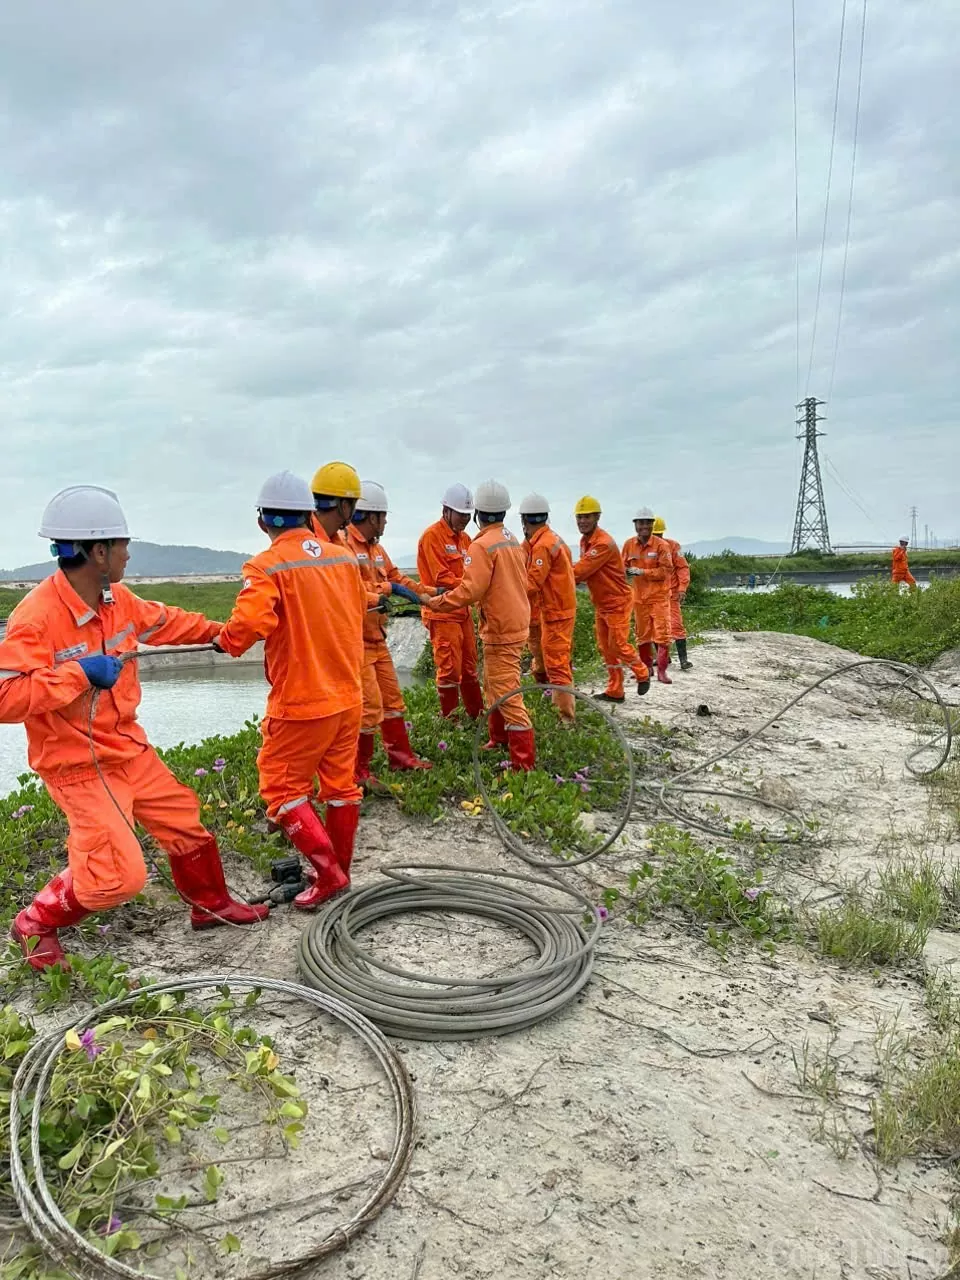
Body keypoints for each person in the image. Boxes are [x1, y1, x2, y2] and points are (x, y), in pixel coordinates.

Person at [0, 486, 268, 971]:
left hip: (127, 748)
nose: (128, 553)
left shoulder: (116, 599)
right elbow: (6, 697)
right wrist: (79, 674)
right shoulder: (35, 618)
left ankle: (210, 906)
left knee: (185, 821)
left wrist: (220, 633)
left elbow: (164, 621)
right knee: (116, 879)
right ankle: (33, 924)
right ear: (97, 551)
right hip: (78, 765)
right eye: (123, 544)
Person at [214, 469, 368, 907]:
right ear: (307, 515)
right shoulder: (343, 558)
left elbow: (247, 626)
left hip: (302, 701)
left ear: (263, 521)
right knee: (340, 787)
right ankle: (337, 872)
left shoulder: (266, 566)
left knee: (281, 791)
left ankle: (330, 876)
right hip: (347, 695)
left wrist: (226, 639)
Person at [424, 481, 535, 770]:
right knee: (494, 685)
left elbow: (469, 590)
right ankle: (498, 738)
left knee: (506, 692)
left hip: (501, 627)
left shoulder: (481, 544)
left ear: (477, 515)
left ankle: (523, 764)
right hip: (513, 621)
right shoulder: (511, 539)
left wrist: (438, 602)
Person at [345, 481, 436, 785]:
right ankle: (359, 771)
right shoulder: (344, 546)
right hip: (355, 642)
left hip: (376, 638)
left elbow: (397, 577)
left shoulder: (377, 549)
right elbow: (351, 590)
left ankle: (401, 759)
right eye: (384, 517)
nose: (385, 522)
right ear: (372, 517)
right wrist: (386, 589)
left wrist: (425, 593)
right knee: (369, 708)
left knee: (393, 701)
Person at [573, 496, 650, 703]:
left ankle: (642, 672)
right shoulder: (585, 541)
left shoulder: (603, 544)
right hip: (602, 602)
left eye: (587, 517)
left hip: (617, 601)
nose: (582, 521)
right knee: (605, 647)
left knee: (617, 644)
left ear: (597, 517)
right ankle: (615, 689)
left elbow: (579, 572)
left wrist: (553, 574)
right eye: (579, 517)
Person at [416, 484, 484, 721]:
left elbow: (474, 570)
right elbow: (440, 578)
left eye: (468, 515)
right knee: (449, 670)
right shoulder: (432, 537)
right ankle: (450, 720)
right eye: (460, 514)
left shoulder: (466, 539)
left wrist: (475, 585)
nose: (465, 519)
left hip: (462, 612)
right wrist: (471, 586)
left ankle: (477, 716)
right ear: (446, 510)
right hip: (442, 613)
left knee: (468, 667)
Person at [519, 493, 577, 724]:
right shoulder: (552, 539)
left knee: (556, 662)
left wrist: (505, 592)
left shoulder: (543, 546)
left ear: (525, 520)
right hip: (558, 609)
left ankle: (565, 718)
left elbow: (532, 583)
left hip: (556, 612)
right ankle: (550, 699)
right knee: (549, 659)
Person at [622, 507, 674, 685]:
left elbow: (666, 571)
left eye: (647, 523)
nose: (643, 526)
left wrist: (642, 572)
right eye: (640, 523)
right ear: (635, 525)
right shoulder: (629, 545)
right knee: (642, 635)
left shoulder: (661, 546)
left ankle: (662, 671)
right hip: (639, 598)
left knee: (663, 635)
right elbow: (621, 567)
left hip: (659, 598)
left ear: (652, 525)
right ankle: (646, 669)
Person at [654, 516, 693, 671]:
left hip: (671, 594)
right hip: (653, 594)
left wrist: (682, 588)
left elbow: (683, 568)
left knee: (676, 625)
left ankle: (684, 660)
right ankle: (663, 658)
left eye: (659, 535)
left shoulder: (674, 547)